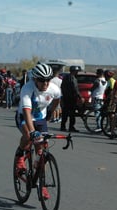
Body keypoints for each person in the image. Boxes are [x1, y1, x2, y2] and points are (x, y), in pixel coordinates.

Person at [15, 63, 61, 200]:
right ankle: (20, 155)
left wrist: (51, 112)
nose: (46, 83)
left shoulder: (53, 88)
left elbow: (57, 99)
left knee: (42, 151)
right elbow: (27, 112)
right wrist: (33, 132)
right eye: (42, 80)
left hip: (40, 118)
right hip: (24, 117)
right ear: (35, 79)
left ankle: (42, 184)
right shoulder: (27, 89)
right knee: (29, 136)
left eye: (48, 79)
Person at [60, 65, 84, 132]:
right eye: (77, 71)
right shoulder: (73, 78)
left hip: (65, 98)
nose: (77, 73)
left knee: (65, 113)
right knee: (72, 114)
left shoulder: (65, 77)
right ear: (74, 71)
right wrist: (80, 97)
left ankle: (63, 126)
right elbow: (75, 89)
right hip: (72, 99)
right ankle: (71, 127)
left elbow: (62, 87)